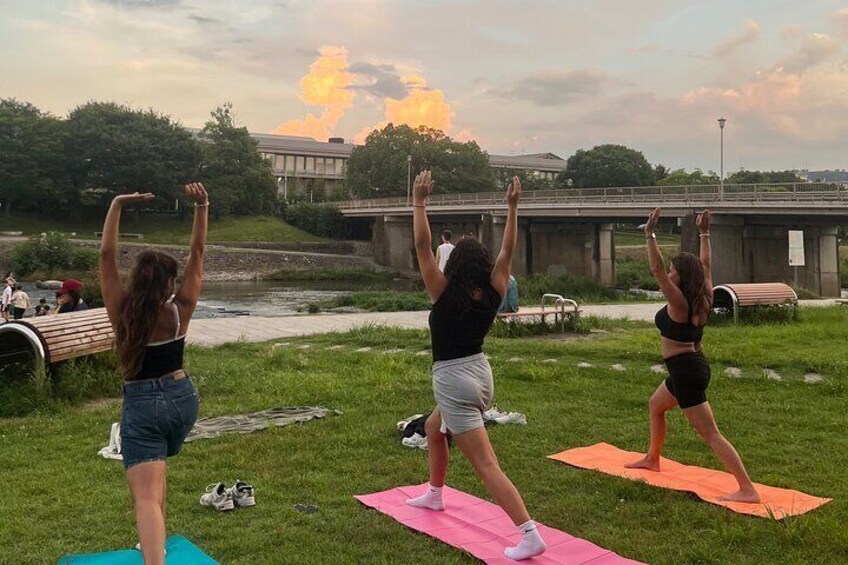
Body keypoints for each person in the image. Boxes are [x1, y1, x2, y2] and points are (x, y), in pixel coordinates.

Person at [406, 171, 546, 561]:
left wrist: (419, 202)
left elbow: (422, 245)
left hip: (453, 378)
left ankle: (529, 533)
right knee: (433, 429)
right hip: (481, 374)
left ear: (453, 264)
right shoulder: (495, 287)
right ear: (483, 264)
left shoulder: (441, 290)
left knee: (486, 464)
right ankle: (435, 493)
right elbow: (508, 248)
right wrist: (512, 207)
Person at [99, 183, 208, 565]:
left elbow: (107, 254)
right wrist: (202, 207)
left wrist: (117, 203)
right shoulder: (181, 308)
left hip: (144, 405)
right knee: (155, 474)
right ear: (167, 283)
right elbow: (198, 253)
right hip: (182, 400)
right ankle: (154, 547)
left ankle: (154, 559)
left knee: (144, 495)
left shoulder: (121, 310)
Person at [625, 208, 760, 503]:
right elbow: (706, 263)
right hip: (687, 368)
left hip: (686, 372)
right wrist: (704, 232)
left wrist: (649, 234)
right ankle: (652, 458)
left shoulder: (679, 302)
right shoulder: (704, 295)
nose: (669, 273)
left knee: (711, 434)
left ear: (681, 276)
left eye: (674, 271)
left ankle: (748, 489)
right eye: (671, 270)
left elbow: (656, 270)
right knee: (655, 406)